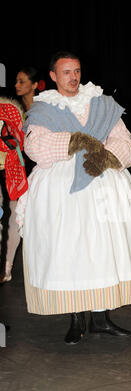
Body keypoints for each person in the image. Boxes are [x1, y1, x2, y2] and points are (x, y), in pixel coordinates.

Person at [16, 51, 131, 345]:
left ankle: (101, 319)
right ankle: (76, 319)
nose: (73, 77)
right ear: (52, 76)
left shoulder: (101, 103)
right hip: (61, 192)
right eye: (66, 72)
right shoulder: (43, 109)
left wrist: (106, 156)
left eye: (76, 71)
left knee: (103, 249)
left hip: (102, 182)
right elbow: (35, 147)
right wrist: (74, 140)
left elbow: (124, 141)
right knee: (71, 251)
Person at [0, 67, 41, 283]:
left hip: (35, 169)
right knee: (12, 217)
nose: (16, 85)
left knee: (25, 219)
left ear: (34, 85)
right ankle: (6, 266)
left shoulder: (42, 109)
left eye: (21, 81)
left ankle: (12, 266)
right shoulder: (10, 109)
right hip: (15, 168)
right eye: (16, 80)